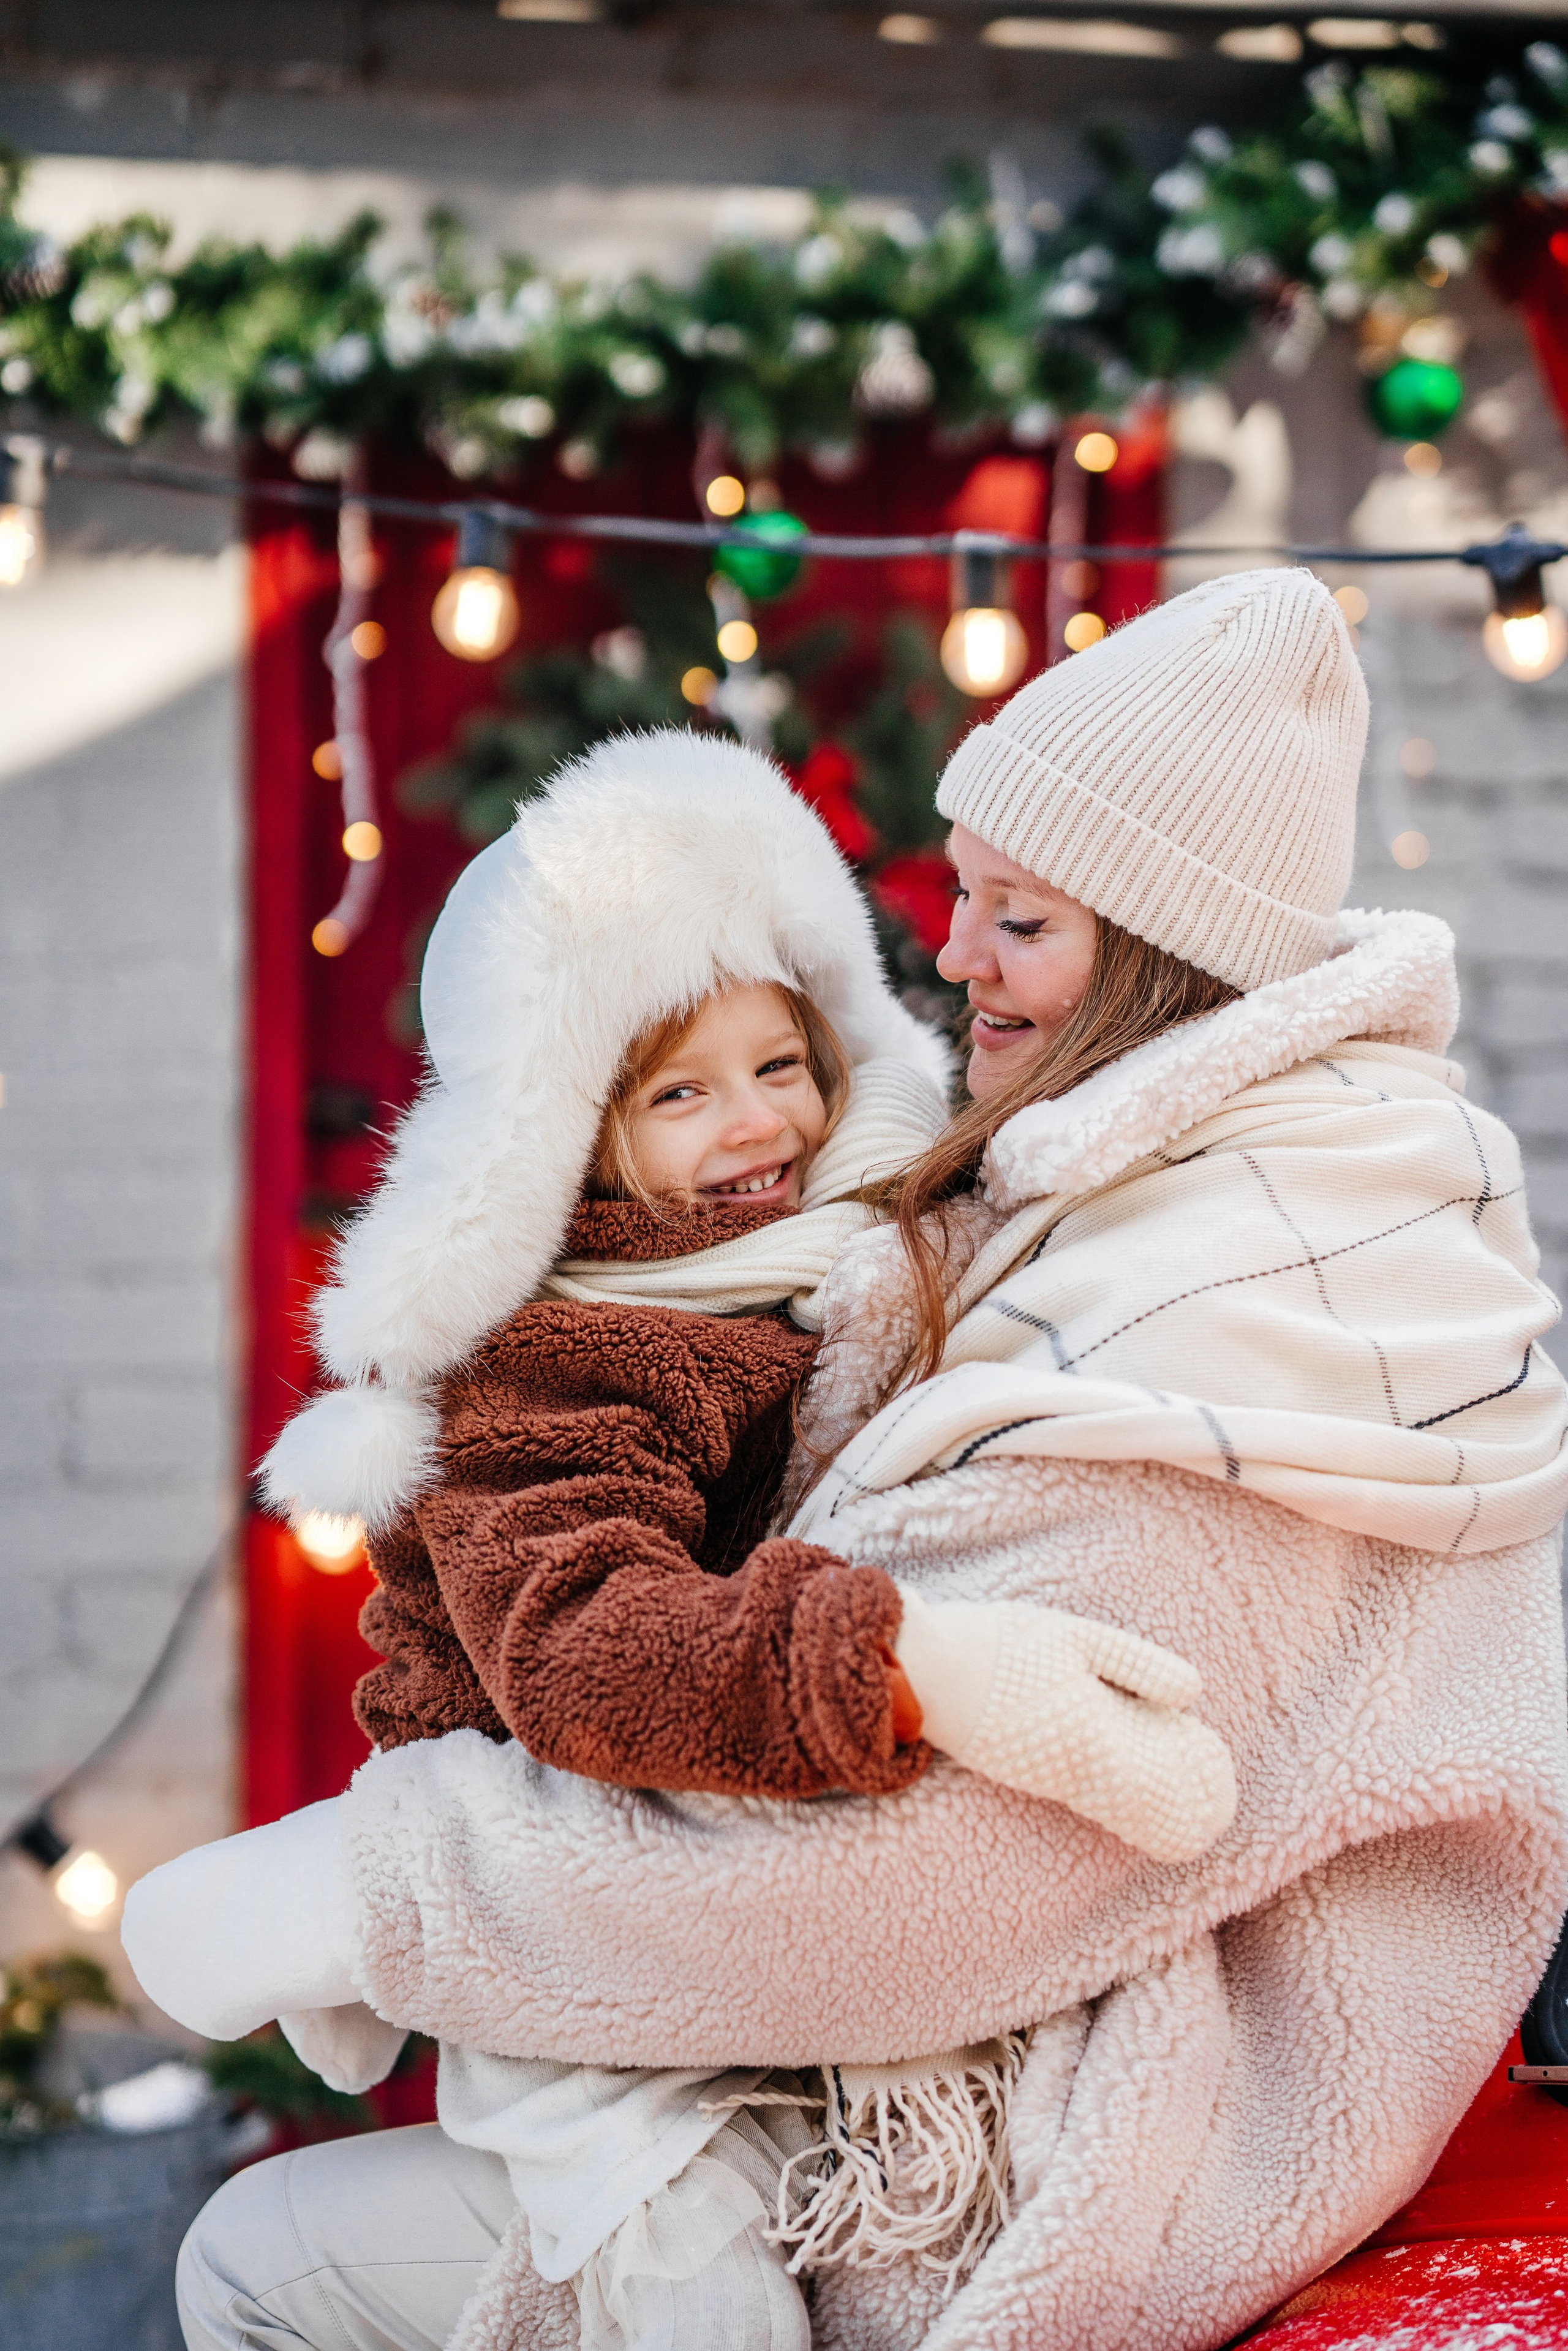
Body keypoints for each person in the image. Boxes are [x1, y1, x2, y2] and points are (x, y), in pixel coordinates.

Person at [130, 570, 1568, 2351]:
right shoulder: (1229, 1191)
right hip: (1070, 2036)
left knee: (266, 2266)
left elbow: (940, 1885)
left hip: (1082, 2128)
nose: (951, 957)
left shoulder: (1230, 1299)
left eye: (1017, 919)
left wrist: (378, 1887)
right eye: (958, 902)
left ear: (1162, 942)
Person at [130, 729, 1233, 2351]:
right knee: (697, 2287)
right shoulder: (566, 1356)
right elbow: (587, 1649)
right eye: (679, 1091)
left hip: (716, 1942)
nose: (755, 1126)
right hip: (576, 1973)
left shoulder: (825, 1263)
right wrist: (886, 1660)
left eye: (782, 1063)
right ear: (572, 1135)